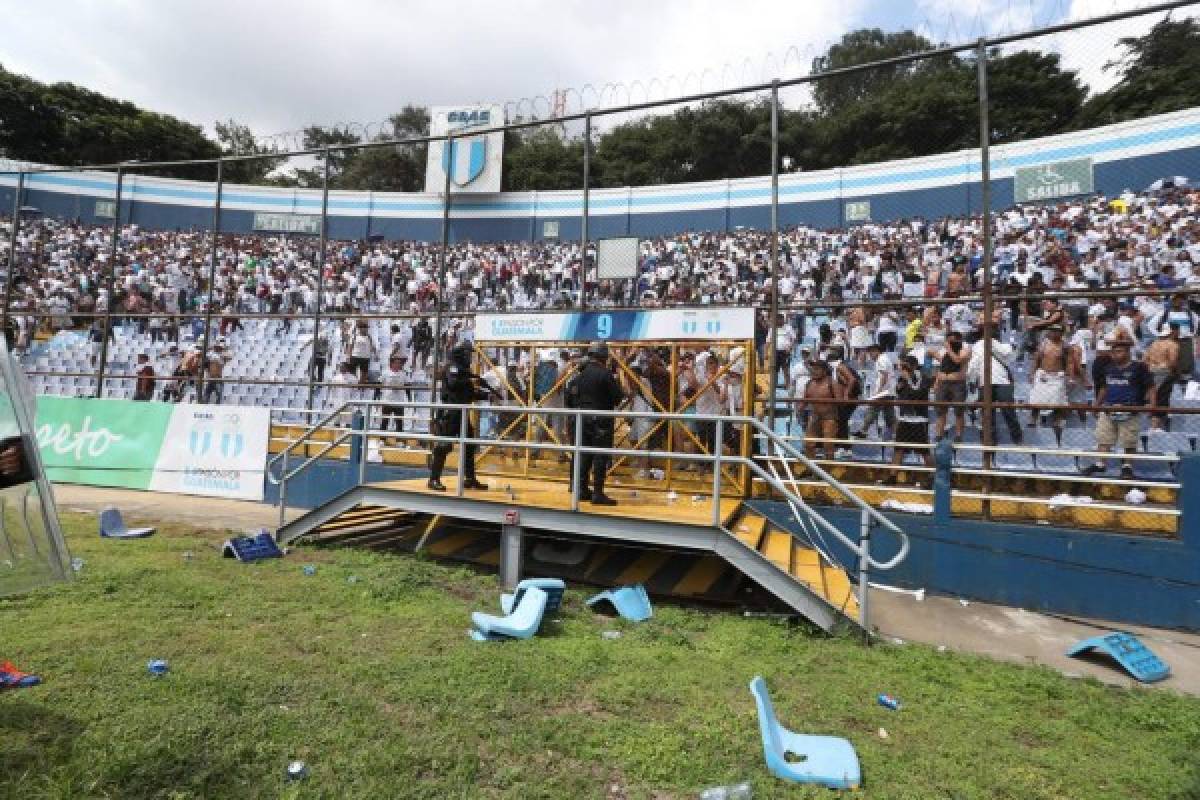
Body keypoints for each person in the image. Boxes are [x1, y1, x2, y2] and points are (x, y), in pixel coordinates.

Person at [1082, 332, 1153, 479]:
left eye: (1119, 351)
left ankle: (1127, 466)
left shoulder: (1139, 367)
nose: (1115, 354)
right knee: (1103, 438)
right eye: (1113, 351)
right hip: (1109, 408)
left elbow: (1151, 387)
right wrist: (1097, 404)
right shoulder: (1108, 368)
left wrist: (1152, 405)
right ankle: (1100, 464)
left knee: (1129, 440)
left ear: (1127, 352)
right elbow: (1104, 387)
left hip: (1130, 409)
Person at [566, 342, 625, 505]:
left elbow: (569, 399)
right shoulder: (605, 375)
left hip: (581, 420)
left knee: (583, 455)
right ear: (604, 357)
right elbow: (617, 398)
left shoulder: (578, 377)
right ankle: (598, 493)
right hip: (601, 421)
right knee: (600, 456)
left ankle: (581, 490)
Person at [428, 343, 492, 492]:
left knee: (469, 445)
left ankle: (469, 479)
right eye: (467, 353)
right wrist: (472, 380)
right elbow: (453, 384)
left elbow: (467, 393)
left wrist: (486, 395)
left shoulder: (464, 370)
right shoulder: (453, 367)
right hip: (451, 413)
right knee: (444, 446)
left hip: (463, 412)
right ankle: (434, 479)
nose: (469, 356)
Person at [887, 355, 933, 484]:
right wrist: (899, 386)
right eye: (902, 366)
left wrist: (909, 380)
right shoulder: (902, 378)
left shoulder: (923, 378)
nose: (903, 369)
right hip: (904, 418)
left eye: (906, 366)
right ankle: (892, 477)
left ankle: (932, 477)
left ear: (913, 366)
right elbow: (899, 394)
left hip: (918, 420)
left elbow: (918, 395)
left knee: (924, 451)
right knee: (899, 449)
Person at [932, 329, 970, 441]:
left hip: (957, 384)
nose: (950, 343)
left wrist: (949, 349)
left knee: (958, 411)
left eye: (952, 341)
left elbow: (958, 360)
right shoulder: (944, 352)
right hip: (943, 383)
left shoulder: (965, 350)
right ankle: (939, 434)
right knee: (940, 411)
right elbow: (941, 367)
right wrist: (936, 382)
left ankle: (958, 435)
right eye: (948, 341)